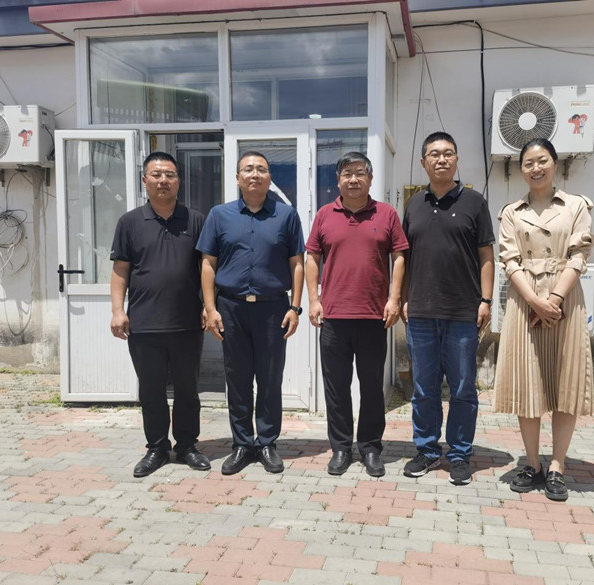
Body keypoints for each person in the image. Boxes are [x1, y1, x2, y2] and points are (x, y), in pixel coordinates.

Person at [493, 137, 594, 502]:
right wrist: (536, 302)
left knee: (565, 382)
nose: (536, 168)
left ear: (554, 163)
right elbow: (509, 260)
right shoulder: (511, 212)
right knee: (528, 383)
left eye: (542, 161)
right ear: (521, 169)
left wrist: (554, 299)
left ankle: (558, 466)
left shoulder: (576, 205)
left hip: (565, 299)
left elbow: (579, 254)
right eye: (528, 163)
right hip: (525, 301)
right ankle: (532, 463)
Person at [198, 151, 305, 476]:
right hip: (231, 308)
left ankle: (267, 443)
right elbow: (208, 264)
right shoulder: (219, 215)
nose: (254, 174)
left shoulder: (286, 215)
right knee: (238, 378)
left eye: (261, 169)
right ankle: (243, 444)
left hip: (273, 309)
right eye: (248, 169)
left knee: (270, 379)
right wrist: (210, 308)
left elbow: (297, 263)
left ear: (270, 178)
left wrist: (295, 307)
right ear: (237, 178)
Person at [305, 152, 408, 477]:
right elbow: (312, 258)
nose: (353, 179)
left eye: (360, 173)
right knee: (336, 388)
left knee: (372, 387)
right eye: (347, 173)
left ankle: (370, 447)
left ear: (370, 179)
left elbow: (399, 257)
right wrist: (313, 300)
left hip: (373, 318)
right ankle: (340, 448)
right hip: (334, 318)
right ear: (338, 180)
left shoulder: (386, 213)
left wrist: (394, 299)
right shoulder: (324, 215)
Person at [402, 131, 495, 486]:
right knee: (424, 389)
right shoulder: (414, 204)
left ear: (456, 159)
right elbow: (404, 257)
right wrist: (404, 297)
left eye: (448, 153)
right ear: (423, 162)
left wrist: (486, 300)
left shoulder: (474, 202)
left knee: (462, 389)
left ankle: (459, 455)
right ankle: (427, 450)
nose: (441, 159)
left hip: (462, 313)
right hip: (421, 313)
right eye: (434, 154)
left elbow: (486, 255)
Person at [110, 151, 210, 478]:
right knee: (151, 391)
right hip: (144, 324)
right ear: (145, 180)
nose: (163, 180)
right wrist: (117, 311)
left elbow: (207, 267)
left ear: (179, 181)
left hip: (187, 324)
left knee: (187, 391)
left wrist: (209, 306)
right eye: (156, 175)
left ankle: (187, 445)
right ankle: (157, 448)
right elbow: (120, 270)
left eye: (170, 175)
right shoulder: (129, 222)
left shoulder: (195, 221)